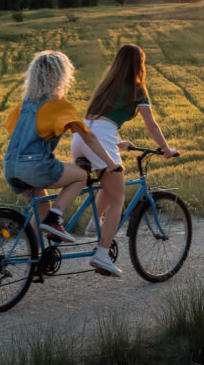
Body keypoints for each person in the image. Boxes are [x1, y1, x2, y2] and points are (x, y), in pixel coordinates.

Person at [71, 44, 178, 276]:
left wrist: (119, 143)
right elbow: (151, 125)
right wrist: (166, 148)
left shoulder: (107, 84)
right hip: (100, 138)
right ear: (139, 64)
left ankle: (93, 226)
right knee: (118, 198)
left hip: (82, 136)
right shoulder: (137, 88)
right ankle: (102, 254)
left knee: (109, 182)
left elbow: (102, 118)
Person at [4, 50, 121, 245]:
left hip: (10, 167)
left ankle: (34, 261)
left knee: (41, 208)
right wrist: (110, 163)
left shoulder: (24, 105)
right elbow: (89, 137)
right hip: (36, 167)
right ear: (60, 76)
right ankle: (56, 217)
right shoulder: (58, 105)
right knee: (80, 176)